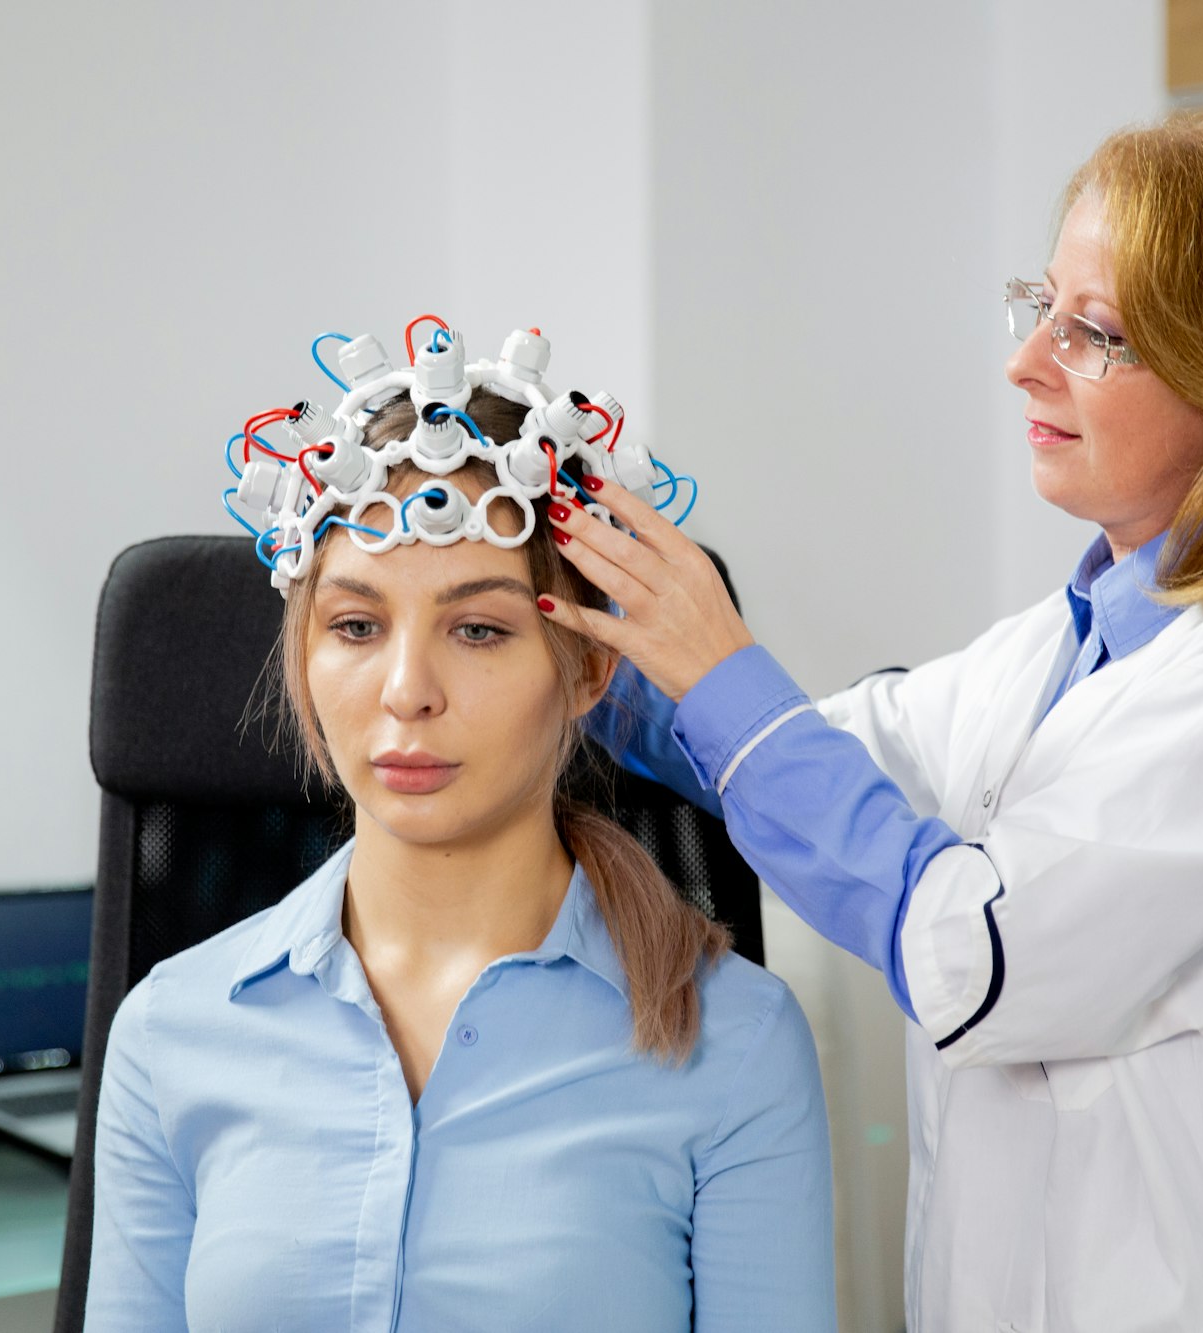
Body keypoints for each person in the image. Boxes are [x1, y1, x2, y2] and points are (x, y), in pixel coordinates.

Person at [545, 108, 1203, 1331]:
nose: (1024, 362)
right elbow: (820, 760)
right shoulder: (1084, 632)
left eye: (1095, 334)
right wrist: (576, 642)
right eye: (1042, 304)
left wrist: (722, 666)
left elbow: (966, 954)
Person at [85, 390, 835, 1331]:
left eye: (478, 629)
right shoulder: (169, 1033)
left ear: (589, 668)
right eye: (356, 627)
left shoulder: (736, 1042)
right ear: (304, 657)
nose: (407, 693)